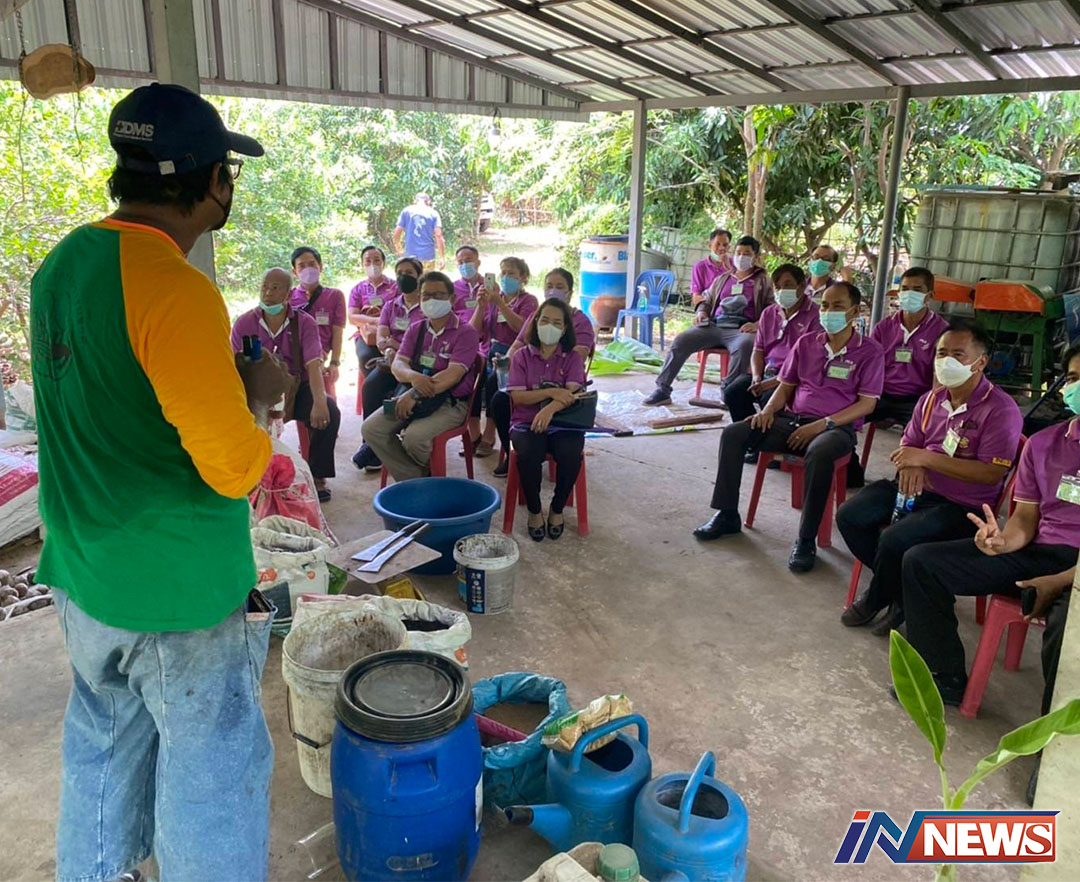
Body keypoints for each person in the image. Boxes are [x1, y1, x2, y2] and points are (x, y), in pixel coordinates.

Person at [32, 83, 281, 881]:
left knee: (104, 750)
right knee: (213, 780)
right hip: (174, 595)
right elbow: (233, 466)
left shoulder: (62, 265)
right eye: (228, 173)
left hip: (83, 573)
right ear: (210, 181)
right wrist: (259, 397)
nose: (229, 187)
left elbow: (114, 394)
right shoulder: (173, 288)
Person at [902, 344, 1080, 708]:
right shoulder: (1044, 444)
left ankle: (1056, 734)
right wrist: (1002, 541)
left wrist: (1063, 580)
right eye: (1075, 377)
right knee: (921, 562)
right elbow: (1026, 518)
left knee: (1068, 626)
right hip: (1044, 554)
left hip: (1074, 571)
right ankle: (944, 676)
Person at [837, 319, 1023, 635]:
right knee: (850, 515)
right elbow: (909, 443)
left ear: (981, 362)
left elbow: (991, 472)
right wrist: (912, 464)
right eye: (941, 353)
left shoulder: (1000, 409)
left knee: (895, 539)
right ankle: (902, 592)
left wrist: (925, 458)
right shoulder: (931, 400)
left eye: (958, 354)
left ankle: (877, 597)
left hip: (962, 505)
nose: (946, 361)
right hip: (915, 488)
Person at [694, 282, 884, 573]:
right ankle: (727, 513)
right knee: (734, 433)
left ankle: (806, 540)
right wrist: (768, 411)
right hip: (792, 420)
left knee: (820, 453)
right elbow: (786, 386)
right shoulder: (807, 342)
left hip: (835, 428)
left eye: (838, 306)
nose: (829, 312)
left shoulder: (869, 351)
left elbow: (867, 404)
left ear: (855, 311)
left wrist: (822, 425)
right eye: (825, 305)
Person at [234, 268, 341, 502]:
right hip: (257, 393)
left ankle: (317, 475)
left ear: (289, 294)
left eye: (275, 288)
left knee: (330, 412)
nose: (268, 293)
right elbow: (234, 366)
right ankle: (253, 477)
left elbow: (313, 365)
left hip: (295, 389)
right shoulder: (245, 323)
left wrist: (320, 402)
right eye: (264, 287)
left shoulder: (304, 323)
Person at [361, 272, 480, 481]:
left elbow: (452, 375)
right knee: (371, 429)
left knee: (414, 438)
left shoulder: (465, 332)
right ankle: (418, 478)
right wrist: (414, 378)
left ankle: (417, 482)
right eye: (426, 295)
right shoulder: (416, 329)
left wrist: (414, 394)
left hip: (451, 402)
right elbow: (398, 364)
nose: (432, 300)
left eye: (439, 295)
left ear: (452, 299)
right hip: (413, 392)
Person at [847, 267, 951, 487]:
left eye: (917, 289)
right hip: (880, 395)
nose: (909, 294)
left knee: (923, 432)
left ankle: (902, 483)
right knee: (844, 419)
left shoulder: (941, 331)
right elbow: (869, 366)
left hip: (916, 400)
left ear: (930, 296)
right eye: (905, 288)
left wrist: (931, 407)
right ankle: (850, 470)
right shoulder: (885, 327)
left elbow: (939, 379)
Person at [644, 235, 774, 407]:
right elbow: (707, 301)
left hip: (742, 329)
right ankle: (662, 389)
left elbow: (772, 309)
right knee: (681, 340)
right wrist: (702, 313)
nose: (741, 257)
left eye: (747, 254)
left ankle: (729, 392)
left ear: (755, 257)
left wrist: (758, 325)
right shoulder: (723, 279)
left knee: (745, 345)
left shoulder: (763, 281)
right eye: (738, 253)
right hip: (715, 325)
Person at [490, 268, 596, 477]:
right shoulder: (536, 315)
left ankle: (539, 449)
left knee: (567, 446)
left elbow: (578, 355)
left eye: (559, 287)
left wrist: (548, 360)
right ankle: (513, 451)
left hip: (561, 382)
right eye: (549, 286)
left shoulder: (581, 321)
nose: (553, 290)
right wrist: (507, 361)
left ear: (570, 292)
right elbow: (519, 343)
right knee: (498, 393)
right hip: (531, 375)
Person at [508, 299, 588, 542]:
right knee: (529, 453)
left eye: (556, 323)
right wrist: (552, 392)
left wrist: (549, 409)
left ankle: (557, 508)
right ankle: (534, 511)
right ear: (535, 323)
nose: (549, 326)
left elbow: (573, 393)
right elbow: (518, 397)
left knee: (571, 452)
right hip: (525, 422)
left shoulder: (572, 358)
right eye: (544, 320)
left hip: (564, 423)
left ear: (564, 329)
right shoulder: (521, 356)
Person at [724, 263, 821, 434]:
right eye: (778, 286)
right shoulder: (769, 313)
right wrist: (756, 377)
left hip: (793, 379)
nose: (782, 290)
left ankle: (765, 440)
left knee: (770, 401)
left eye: (788, 285)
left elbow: (808, 364)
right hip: (766, 373)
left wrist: (770, 383)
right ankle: (751, 437)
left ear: (802, 286)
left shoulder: (815, 315)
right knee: (733, 392)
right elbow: (758, 350)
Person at [352, 257, 423, 473]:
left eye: (409, 273)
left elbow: (424, 345)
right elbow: (382, 336)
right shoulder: (391, 306)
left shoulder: (427, 306)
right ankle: (370, 445)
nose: (404, 277)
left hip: (417, 367)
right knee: (371, 386)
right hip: (392, 362)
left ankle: (383, 441)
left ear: (419, 276)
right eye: (400, 273)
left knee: (400, 396)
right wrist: (388, 348)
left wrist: (397, 346)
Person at [468, 256, 539, 456]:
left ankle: (489, 434)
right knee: (469, 376)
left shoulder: (528, 301)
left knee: (493, 381)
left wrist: (501, 304)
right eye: (503, 273)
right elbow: (473, 330)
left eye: (511, 273)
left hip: (514, 355)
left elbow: (522, 330)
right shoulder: (492, 298)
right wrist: (481, 306)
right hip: (487, 351)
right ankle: (474, 433)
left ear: (523, 278)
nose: (506, 277)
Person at [289, 245, 346, 392]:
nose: (307, 269)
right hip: (293, 362)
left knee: (325, 402)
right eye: (301, 266)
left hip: (321, 361)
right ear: (294, 272)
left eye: (312, 264)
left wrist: (334, 363)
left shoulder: (335, 296)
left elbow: (337, 332)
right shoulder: (288, 297)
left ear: (320, 266)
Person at [348, 245, 398, 377]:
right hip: (367, 334)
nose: (372, 265)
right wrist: (376, 320)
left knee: (396, 356)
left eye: (376, 260)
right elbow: (352, 317)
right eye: (368, 261)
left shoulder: (396, 287)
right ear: (362, 265)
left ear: (383, 263)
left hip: (393, 334)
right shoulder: (358, 289)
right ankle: (373, 385)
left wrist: (384, 323)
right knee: (366, 356)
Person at [393, 192, 445, 271]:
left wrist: (398, 247)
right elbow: (438, 235)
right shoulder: (434, 213)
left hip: (410, 257)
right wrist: (442, 257)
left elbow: (397, 232)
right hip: (428, 256)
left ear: (415, 201)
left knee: (412, 278)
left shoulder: (406, 211)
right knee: (427, 279)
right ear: (428, 202)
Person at [690, 228, 732, 299]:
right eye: (717, 244)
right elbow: (696, 296)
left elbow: (740, 288)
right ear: (710, 245)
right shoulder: (700, 267)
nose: (721, 248)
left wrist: (729, 268)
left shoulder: (735, 264)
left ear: (729, 247)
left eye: (725, 245)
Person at [453, 244, 486, 320]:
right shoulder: (452, 288)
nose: (464, 265)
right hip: (461, 326)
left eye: (468, 261)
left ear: (478, 263)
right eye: (460, 262)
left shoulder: (489, 285)